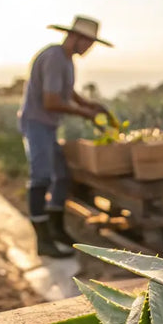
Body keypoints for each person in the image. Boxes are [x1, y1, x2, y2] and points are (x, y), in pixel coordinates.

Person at [18, 15, 112, 258]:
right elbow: (51, 102)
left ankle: (57, 230)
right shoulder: (53, 58)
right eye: (88, 43)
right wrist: (85, 113)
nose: (89, 48)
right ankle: (43, 240)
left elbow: (66, 91)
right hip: (37, 123)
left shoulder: (67, 61)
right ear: (75, 37)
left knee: (61, 177)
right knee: (41, 178)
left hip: (48, 126)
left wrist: (89, 104)